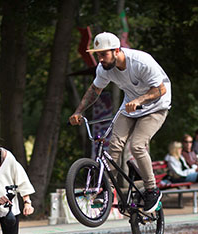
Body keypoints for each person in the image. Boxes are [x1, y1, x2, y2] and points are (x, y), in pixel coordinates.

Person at [69, 32, 171, 213]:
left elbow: (160, 89)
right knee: (114, 145)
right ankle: (106, 191)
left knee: (137, 145)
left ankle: (152, 190)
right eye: (98, 55)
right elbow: (94, 90)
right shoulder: (104, 69)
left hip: (156, 106)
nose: (100, 59)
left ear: (116, 50)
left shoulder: (141, 62)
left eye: (104, 54)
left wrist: (139, 100)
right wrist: (78, 111)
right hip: (130, 107)